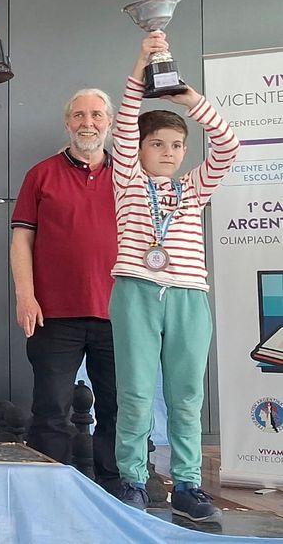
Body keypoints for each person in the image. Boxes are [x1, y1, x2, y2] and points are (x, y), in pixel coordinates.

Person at [110, 32, 239, 521]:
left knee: (187, 396)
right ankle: (133, 480)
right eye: (158, 144)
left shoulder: (193, 188)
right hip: (137, 292)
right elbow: (124, 125)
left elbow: (228, 147)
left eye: (178, 145)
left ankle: (187, 485)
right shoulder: (127, 181)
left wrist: (191, 100)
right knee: (136, 393)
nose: (168, 152)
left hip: (188, 296)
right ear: (139, 149)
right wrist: (141, 63)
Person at [10, 87, 121, 494]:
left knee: (118, 408)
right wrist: (26, 295)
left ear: (110, 122)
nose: (87, 123)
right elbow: (21, 240)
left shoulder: (130, 178)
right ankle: (49, 490)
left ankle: (117, 488)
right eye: (79, 115)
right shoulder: (40, 175)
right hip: (53, 313)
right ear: (67, 122)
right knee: (50, 410)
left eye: (96, 115)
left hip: (119, 314)